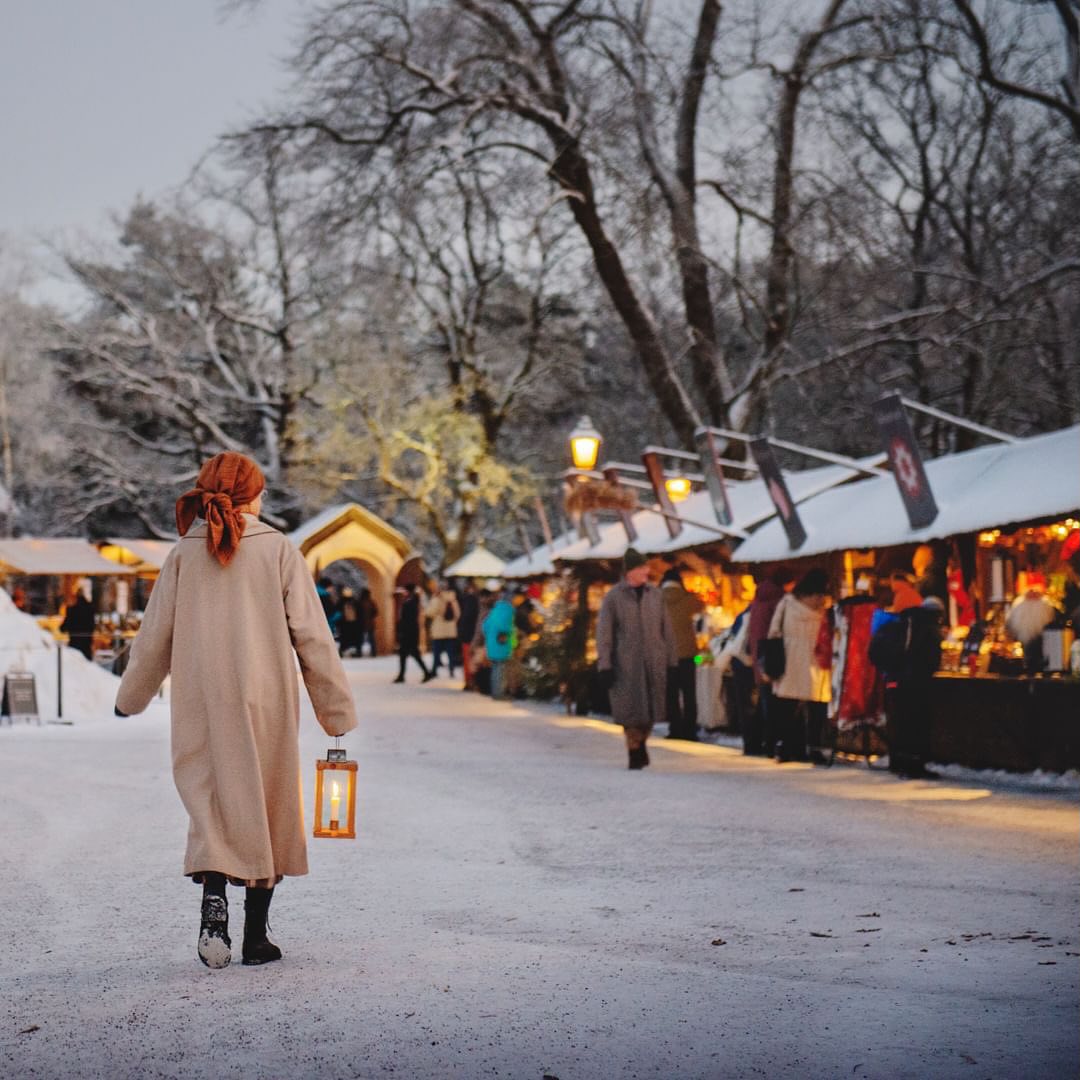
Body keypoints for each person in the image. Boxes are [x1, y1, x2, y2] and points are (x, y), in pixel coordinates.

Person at [114, 452, 357, 969]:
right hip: (265, 695)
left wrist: (129, 698)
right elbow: (312, 636)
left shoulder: (183, 553)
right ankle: (255, 938)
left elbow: (155, 636)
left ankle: (213, 902)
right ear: (254, 495)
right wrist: (334, 713)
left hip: (201, 695)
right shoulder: (278, 550)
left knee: (212, 799)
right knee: (268, 803)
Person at [595, 547, 678, 770]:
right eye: (642, 567)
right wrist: (605, 664)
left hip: (654, 661)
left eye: (646, 567)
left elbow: (666, 629)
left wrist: (672, 660)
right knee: (630, 711)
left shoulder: (656, 596)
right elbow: (605, 633)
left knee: (650, 709)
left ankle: (641, 742)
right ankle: (634, 748)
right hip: (626, 664)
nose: (647, 571)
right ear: (630, 571)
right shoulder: (613, 598)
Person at [871, 595, 945, 778]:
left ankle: (898, 761)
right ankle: (915, 765)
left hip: (897, 678)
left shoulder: (905, 621)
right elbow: (932, 659)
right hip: (917, 682)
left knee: (901, 721)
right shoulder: (929, 627)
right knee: (917, 723)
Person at [765, 568, 831, 763]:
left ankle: (788, 746)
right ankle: (815, 748)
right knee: (817, 707)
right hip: (816, 661)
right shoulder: (823, 610)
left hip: (789, 661)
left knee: (787, 708)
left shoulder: (786, 604)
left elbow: (773, 632)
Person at [743, 566, 793, 756]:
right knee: (774, 706)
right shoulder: (779, 600)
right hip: (774, 654)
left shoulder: (758, 598)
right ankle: (771, 744)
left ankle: (757, 743)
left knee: (765, 702)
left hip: (760, 654)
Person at [661, 567, 705, 740]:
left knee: (671, 694)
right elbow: (702, 605)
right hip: (688, 654)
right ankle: (690, 729)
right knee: (689, 693)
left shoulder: (656, 600)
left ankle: (675, 728)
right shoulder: (688, 599)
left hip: (667, 655)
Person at [1005, 587, 1058, 675]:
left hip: (1047, 663)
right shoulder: (1017, 615)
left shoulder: (1049, 613)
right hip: (1026, 662)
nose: (1032, 593)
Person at [394, 583, 433, 683]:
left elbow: (409, 620)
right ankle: (403, 675)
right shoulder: (412, 601)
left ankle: (404, 675)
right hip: (410, 632)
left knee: (410, 654)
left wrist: (403, 631)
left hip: (409, 633)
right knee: (409, 654)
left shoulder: (411, 603)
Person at [482, 587, 515, 700]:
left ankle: (495, 691)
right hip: (501, 644)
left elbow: (484, 626)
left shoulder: (495, 610)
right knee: (500, 670)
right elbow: (506, 627)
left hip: (492, 643)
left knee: (495, 668)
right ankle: (499, 693)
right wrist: (511, 632)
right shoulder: (508, 611)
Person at [427, 580, 461, 677]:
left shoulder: (437, 599)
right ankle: (451, 670)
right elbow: (458, 614)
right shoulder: (453, 600)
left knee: (436, 652)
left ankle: (434, 670)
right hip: (451, 631)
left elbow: (430, 612)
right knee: (450, 653)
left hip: (438, 631)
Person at [60, 586, 96, 660]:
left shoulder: (72, 610)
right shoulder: (90, 608)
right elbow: (92, 625)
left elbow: (64, 626)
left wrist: (62, 628)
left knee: (75, 662)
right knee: (86, 662)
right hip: (86, 641)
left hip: (75, 641)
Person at [457, 580, 480, 690]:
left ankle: (469, 681)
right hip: (473, 635)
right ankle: (472, 681)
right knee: (472, 659)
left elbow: (465, 618)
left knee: (468, 659)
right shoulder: (476, 601)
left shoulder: (467, 601)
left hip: (467, 635)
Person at [357, 587, 379, 657]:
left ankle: (359, 652)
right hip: (370, 623)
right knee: (372, 639)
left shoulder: (359, 602)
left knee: (360, 639)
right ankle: (374, 652)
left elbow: (357, 612)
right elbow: (376, 612)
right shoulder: (371, 602)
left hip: (361, 623)